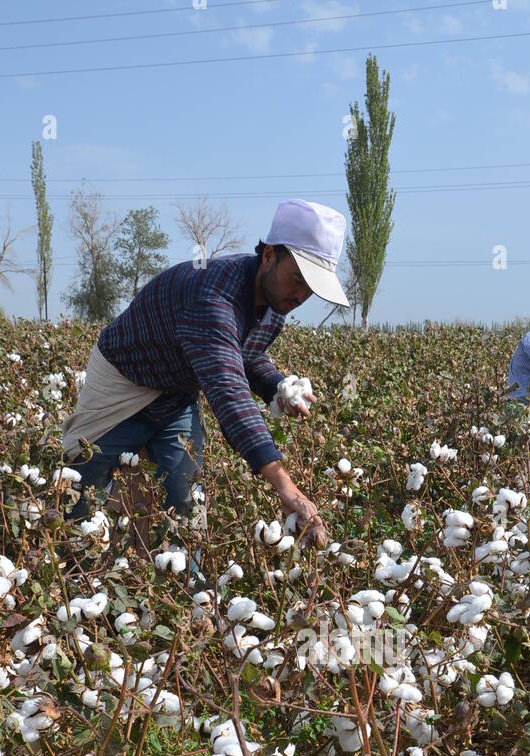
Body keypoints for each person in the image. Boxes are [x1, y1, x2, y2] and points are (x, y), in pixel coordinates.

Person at [60, 199, 350, 546]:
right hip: (125, 380)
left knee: (186, 499)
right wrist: (286, 487)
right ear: (270, 255)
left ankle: (186, 582)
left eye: (311, 288)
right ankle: (74, 566)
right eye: (298, 280)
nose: (301, 295)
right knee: (81, 485)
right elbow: (230, 393)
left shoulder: (275, 304)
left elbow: (245, 356)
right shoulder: (213, 298)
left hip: (176, 393)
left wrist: (277, 386)